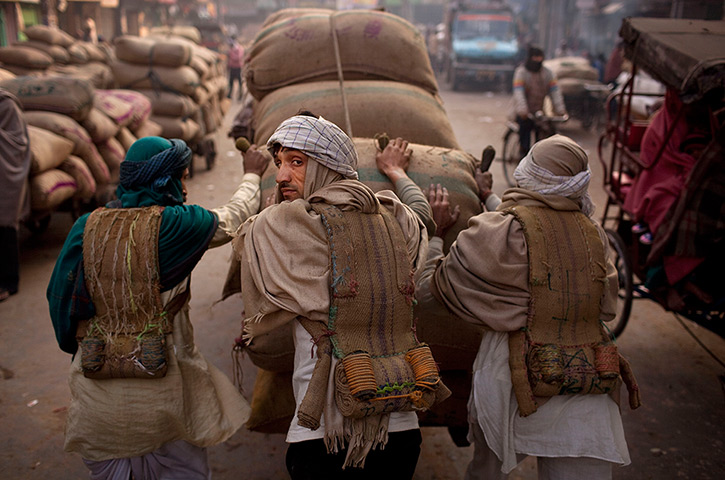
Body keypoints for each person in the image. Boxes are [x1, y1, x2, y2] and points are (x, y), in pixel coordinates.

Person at [233, 114, 449, 479]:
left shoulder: (277, 227)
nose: (282, 176)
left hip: (323, 436)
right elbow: (423, 217)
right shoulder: (400, 221)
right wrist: (397, 173)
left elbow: (246, 238)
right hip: (400, 428)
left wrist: (271, 199)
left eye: (297, 163)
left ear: (327, 167)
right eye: (279, 163)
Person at [418, 135, 641, 479]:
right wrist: (488, 196)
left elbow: (428, 289)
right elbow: (542, 231)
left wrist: (436, 233)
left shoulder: (495, 233)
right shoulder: (592, 237)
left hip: (510, 380)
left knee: (488, 471)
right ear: (578, 183)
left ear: (527, 174)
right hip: (585, 380)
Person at [47, 136, 269, 479]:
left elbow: (59, 301)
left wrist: (83, 350)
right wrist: (252, 175)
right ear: (164, 181)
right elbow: (234, 215)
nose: (185, 186)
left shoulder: (84, 227)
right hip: (168, 401)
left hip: (98, 401)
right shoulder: (180, 224)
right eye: (181, 177)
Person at [0, 89, 31, 302]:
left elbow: (17, 143)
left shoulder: (6, 105)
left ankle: (10, 282)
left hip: (6, 172)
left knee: (4, 225)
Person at [512, 45, 567, 157]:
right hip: (524, 112)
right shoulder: (521, 73)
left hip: (540, 112)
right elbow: (519, 93)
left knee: (544, 140)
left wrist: (560, 110)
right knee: (525, 132)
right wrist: (523, 110)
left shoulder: (548, 74)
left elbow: (555, 92)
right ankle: (522, 153)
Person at [227, 35, 244, 100]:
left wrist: (232, 54)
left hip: (238, 68)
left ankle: (240, 94)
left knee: (240, 82)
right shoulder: (231, 49)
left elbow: (238, 58)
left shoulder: (240, 49)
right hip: (232, 68)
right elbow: (229, 60)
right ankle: (230, 94)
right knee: (231, 82)